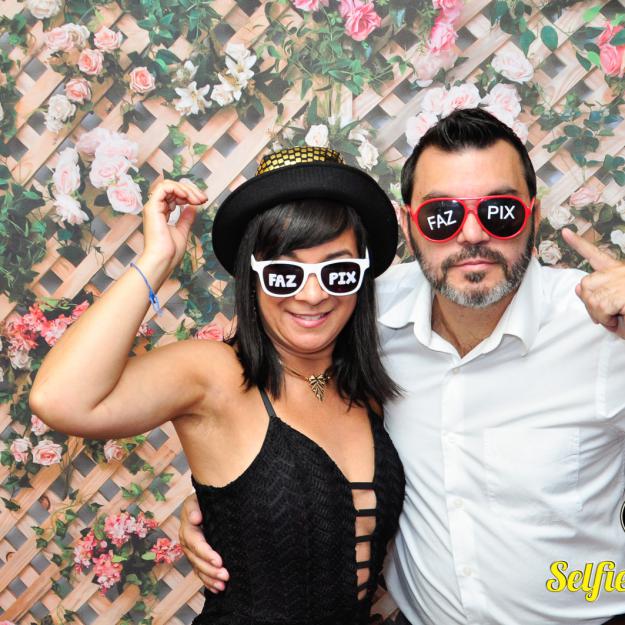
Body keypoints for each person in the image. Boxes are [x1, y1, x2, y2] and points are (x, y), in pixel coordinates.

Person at [179, 109, 625, 625]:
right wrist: (232, 509)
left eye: (499, 212)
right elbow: (265, 400)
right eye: (442, 216)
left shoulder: (603, 328)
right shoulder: (353, 312)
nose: (472, 234)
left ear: (533, 216)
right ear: (409, 226)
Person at [28, 146, 406, 625]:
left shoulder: (365, 389)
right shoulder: (216, 374)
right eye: (284, 273)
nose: (313, 294)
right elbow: (58, 399)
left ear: (361, 278)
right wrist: (158, 258)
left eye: (338, 271)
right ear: (252, 278)